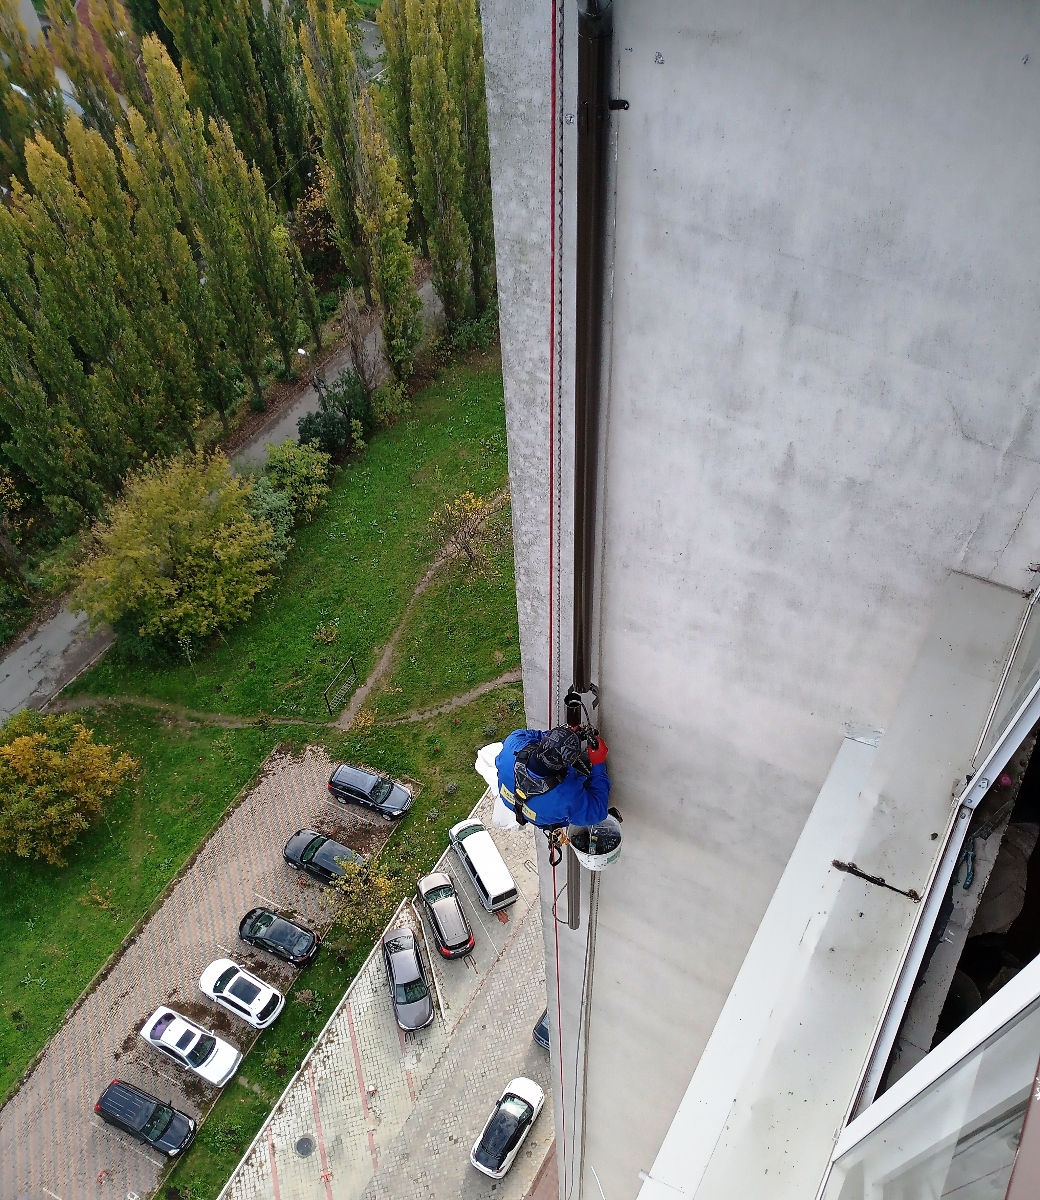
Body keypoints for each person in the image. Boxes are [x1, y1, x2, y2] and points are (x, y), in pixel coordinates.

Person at [495, 725, 611, 829]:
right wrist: (598, 764)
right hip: (541, 817)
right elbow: (598, 811)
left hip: (509, 800)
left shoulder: (513, 744)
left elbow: (533, 736)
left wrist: (558, 739)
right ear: (566, 765)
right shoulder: (567, 796)